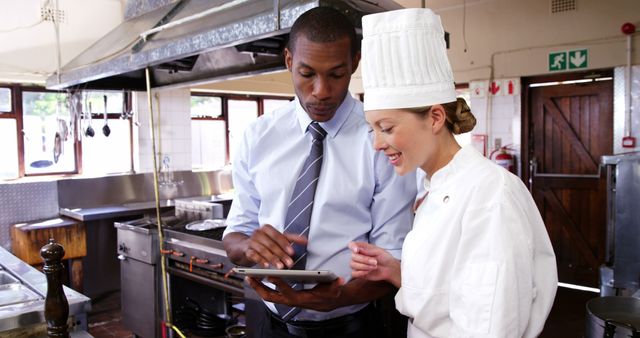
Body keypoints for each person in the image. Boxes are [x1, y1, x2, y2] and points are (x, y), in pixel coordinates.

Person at [349, 8, 558, 338]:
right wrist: (396, 271)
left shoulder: (490, 195)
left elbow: (490, 328)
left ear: (434, 118)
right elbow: (451, 294)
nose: (377, 144)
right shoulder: (436, 185)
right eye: (372, 129)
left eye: (386, 128)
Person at [222, 6, 417, 338]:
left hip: (350, 328)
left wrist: (340, 296)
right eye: (307, 73)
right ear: (288, 61)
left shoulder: (382, 141)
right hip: (272, 326)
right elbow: (236, 234)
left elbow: (393, 260)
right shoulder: (258, 137)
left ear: (355, 62)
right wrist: (249, 246)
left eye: (337, 74)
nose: (321, 91)